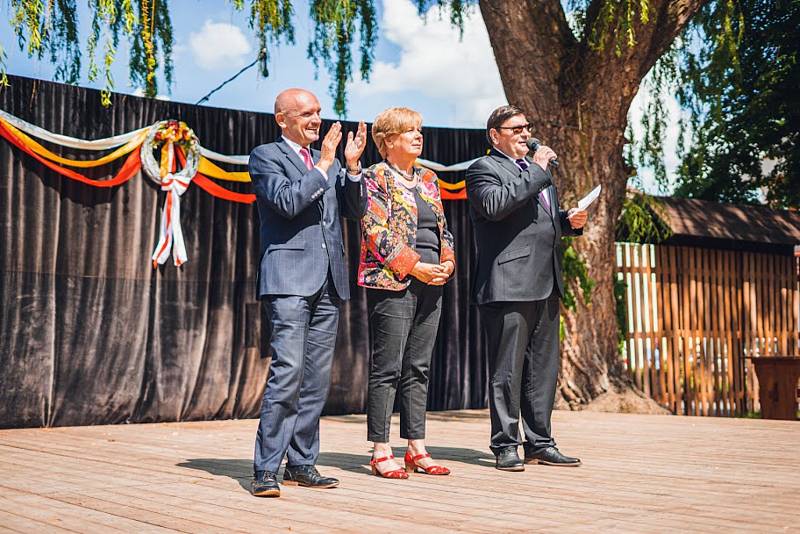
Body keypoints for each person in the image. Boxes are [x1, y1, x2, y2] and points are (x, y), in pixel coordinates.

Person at [248, 88, 368, 497]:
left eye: (318, 112)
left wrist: (351, 169)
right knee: (289, 372)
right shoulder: (266, 156)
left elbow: (354, 210)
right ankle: (266, 469)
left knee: (316, 380)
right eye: (305, 114)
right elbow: (285, 202)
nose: (316, 119)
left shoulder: (331, 163)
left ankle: (302, 462)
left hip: (329, 281)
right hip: (288, 279)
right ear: (283, 119)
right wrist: (325, 165)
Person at [465, 105, 589, 471]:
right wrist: (537, 169)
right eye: (515, 127)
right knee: (508, 370)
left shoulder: (537, 173)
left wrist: (568, 221)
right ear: (495, 135)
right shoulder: (483, 169)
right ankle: (505, 444)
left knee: (543, 369)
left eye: (527, 126)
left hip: (546, 281)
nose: (525, 132)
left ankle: (540, 441)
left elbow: (537, 222)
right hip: (508, 283)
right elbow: (496, 206)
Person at [358, 107, 455, 479]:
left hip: (433, 281)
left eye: (419, 130)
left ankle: (416, 447)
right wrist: (414, 266)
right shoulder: (375, 176)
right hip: (394, 281)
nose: (418, 136)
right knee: (388, 368)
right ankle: (381, 450)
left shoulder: (429, 178)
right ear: (387, 141)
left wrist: (447, 261)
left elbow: (443, 229)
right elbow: (375, 230)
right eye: (408, 131)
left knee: (419, 367)